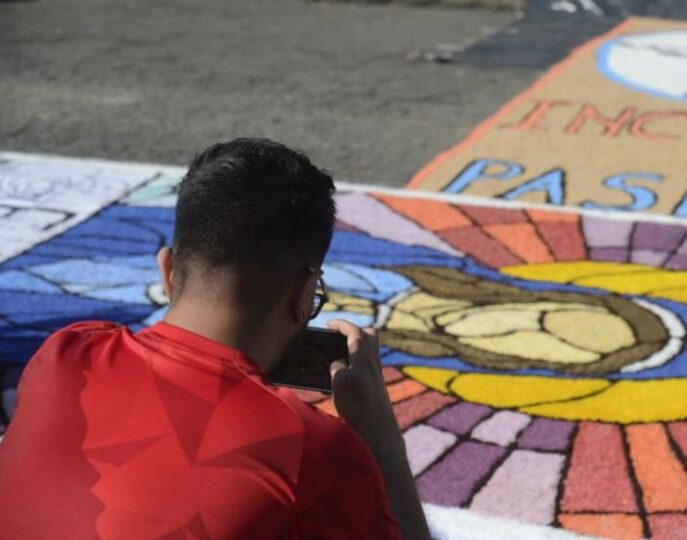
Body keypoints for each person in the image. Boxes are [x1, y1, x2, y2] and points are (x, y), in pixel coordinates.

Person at [0, 138, 431, 539]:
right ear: (303, 295)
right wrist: (381, 439)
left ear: (168, 271)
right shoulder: (310, 449)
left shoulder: (65, 353)